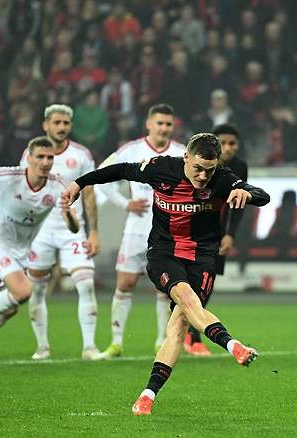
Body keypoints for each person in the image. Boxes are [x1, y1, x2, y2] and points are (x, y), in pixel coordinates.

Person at [61, 133, 270, 416]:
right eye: (197, 168)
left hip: (202, 258)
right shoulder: (161, 168)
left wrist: (247, 193)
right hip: (164, 253)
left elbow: (262, 196)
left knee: (179, 326)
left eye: (209, 169)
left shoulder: (222, 178)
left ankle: (147, 396)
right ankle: (233, 345)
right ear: (186, 157)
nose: (202, 176)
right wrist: (80, 182)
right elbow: (121, 169)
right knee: (187, 298)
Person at [0, 137, 79, 362]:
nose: (45, 162)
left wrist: (68, 213)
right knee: (23, 291)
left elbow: (74, 228)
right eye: (40, 157)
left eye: (49, 157)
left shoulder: (57, 184)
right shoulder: (9, 176)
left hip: (21, 249)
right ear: (29, 158)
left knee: (11, 307)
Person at [97, 103, 186, 359]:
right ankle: (115, 343)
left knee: (164, 287)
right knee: (125, 283)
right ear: (149, 124)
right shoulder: (132, 149)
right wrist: (125, 203)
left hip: (168, 233)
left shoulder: (181, 153)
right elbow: (103, 174)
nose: (164, 128)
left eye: (168, 124)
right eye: (159, 123)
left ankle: (161, 341)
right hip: (136, 231)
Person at [22, 104, 102, 361]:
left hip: (72, 228)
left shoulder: (80, 155)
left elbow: (88, 192)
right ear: (46, 125)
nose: (61, 127)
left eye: (66, 123)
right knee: (36, 289)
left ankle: (89, 347)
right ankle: (42, 346)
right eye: (56, 122)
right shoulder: (31, 153)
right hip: (40, 230)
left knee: (86, 284)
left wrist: (94, 232)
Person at [183, 123, 247, 356]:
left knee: (204, 287)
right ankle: (193, 338)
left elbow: (238, 206)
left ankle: (189, 335)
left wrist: (230, 234)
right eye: (224, 143)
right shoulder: (198, 164)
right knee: (187, 285)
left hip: (216, 235)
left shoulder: (239, 167)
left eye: (233, 143)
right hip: (191, 231)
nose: (229, 148)